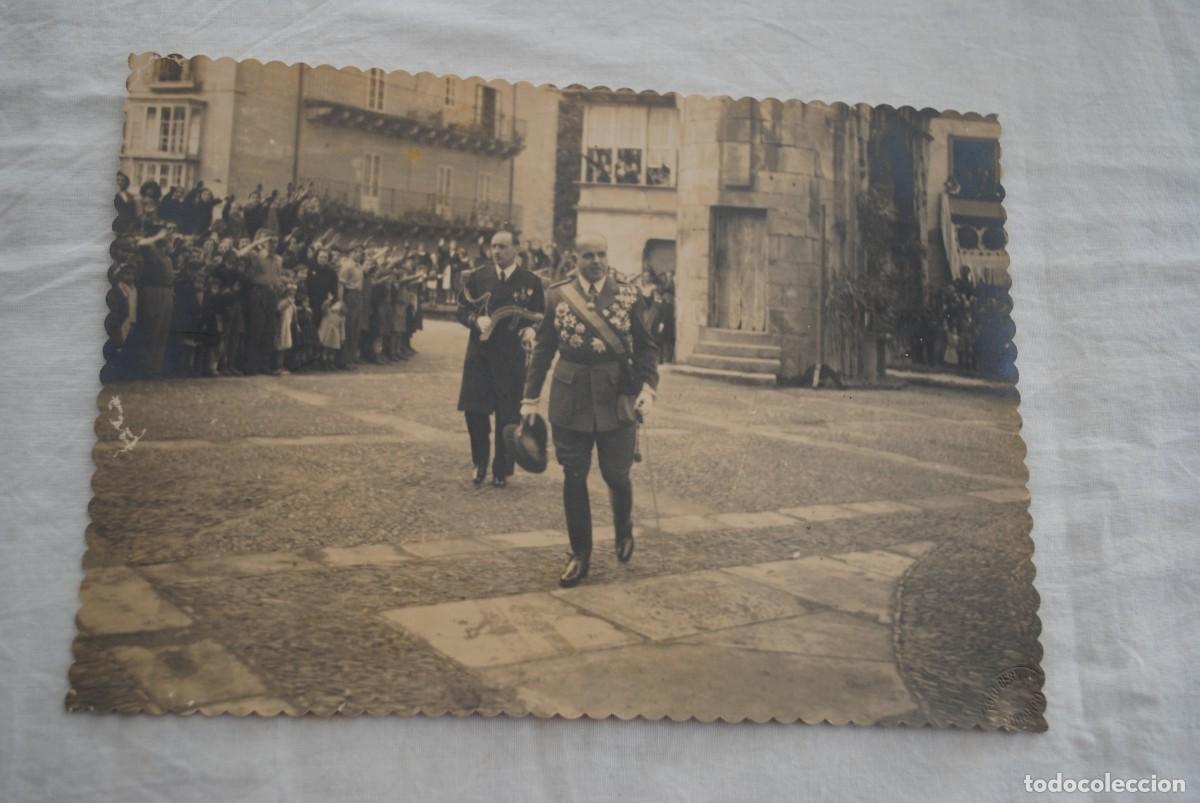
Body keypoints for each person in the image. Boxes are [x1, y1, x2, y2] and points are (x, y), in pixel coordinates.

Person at [520, 233, 659, 587]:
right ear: (575, 258)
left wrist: (648, 388)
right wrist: (529, 398)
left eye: (601, 254)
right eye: (588, 256)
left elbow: (645, 347)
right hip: (571, 398)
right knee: (574, 478)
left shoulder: (629, 293)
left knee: (616, 475)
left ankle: (623, 525)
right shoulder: (557, 295)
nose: (596, 261)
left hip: (617, 397)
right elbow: (543, 351)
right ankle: (579, 553)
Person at [456, 230, 545, 488]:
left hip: (511, 358)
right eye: (494, 246)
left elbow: (540, 316)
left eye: (503, 246)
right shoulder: (479, 277)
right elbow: (462, 309)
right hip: (479, 356)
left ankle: (501, 468)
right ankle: (479, 462)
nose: (496, 251)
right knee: (475, 412)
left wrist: (532, 330)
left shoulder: (530, 281)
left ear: (516, 249)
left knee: (507, 416)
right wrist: (475, 320)